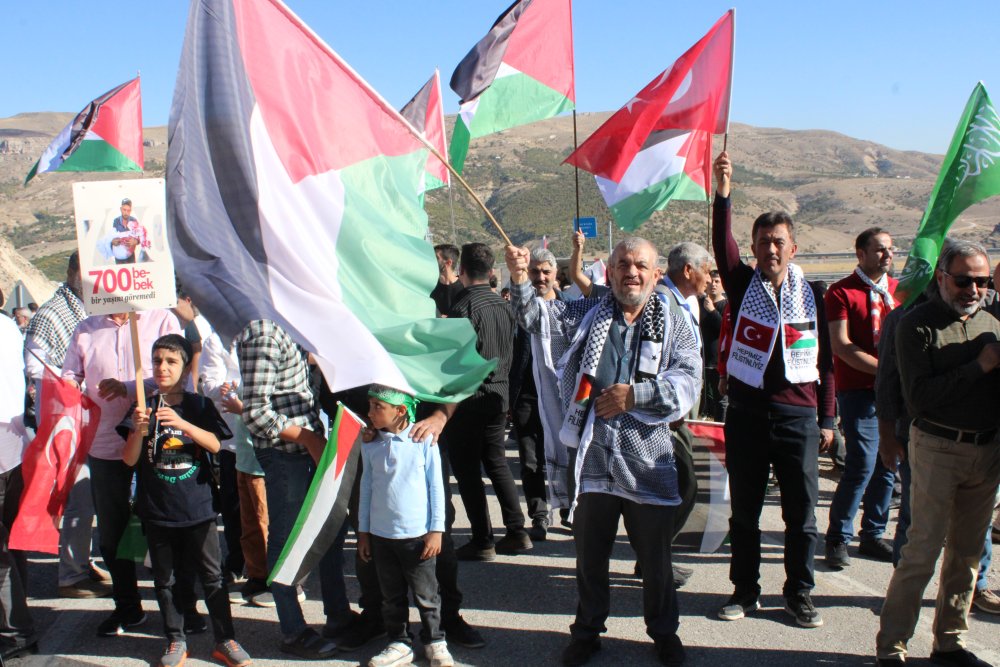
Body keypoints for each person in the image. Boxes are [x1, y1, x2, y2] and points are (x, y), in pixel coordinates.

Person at [507, 236, 701, 667]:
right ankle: (587, 631)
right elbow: (536, 319)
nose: (630, 272)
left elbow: (689, 379)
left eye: (639, 265)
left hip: (649, 462)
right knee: (589, 557)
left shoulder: (675, 320)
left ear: (654, 274)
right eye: (622, 264)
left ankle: (664, 633)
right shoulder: (586, 312)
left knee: (656, 562)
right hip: (594, 460)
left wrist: (638, 395)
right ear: (609, 272)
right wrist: (520, 278)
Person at [711, 151, 835, 629]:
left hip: (798, 420)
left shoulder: (814, 295)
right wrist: (724, 197)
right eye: (763, 242)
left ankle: (799, 594)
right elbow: (724, 249)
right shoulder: (743, 285)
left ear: (793, 248)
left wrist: (827, 418)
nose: (771, 250)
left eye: (779, 242)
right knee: (745, 512)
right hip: (746, 415)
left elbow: (826, 363)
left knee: (801, 515)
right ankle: (744, 591)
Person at [875, 240, 1000, 666]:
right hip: (936, 446)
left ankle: (949, 643)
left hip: (985, 452)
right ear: (942, 277)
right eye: (963, 280)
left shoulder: (992, 323)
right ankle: (891, 647)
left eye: (981, 281)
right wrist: (978, 366)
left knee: (966, 556)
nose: (973, 289)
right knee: (921, 552)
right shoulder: (917, 325)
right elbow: (920, 397)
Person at [119, 334, 250, 667]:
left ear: (184, 366)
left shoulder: (198, 405)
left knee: (212, 577)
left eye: (171, 361)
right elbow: (130, 460)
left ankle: (226, 639)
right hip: (157, 508)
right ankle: (175, 640)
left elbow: (216, 445)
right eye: (157, 361)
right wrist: (137, 430)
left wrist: (182, 424)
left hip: (198, 507)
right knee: (165, 579)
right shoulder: (142, 405)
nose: (163, 368)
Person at [62, 308, 182, 636]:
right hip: (104, 445)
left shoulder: (162, 319)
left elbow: (176, 374)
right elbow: (70, 376)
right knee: (113, 532)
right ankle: (128, 608)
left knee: (164, 525)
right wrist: (68, 390)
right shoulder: (86, 328)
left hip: (158, 441)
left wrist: (127, 387)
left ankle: (177, 612)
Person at [237, 319, 350, 658]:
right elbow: (256, 413)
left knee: (331, 529)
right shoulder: (264, 331)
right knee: (286, 541)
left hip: (307, 452)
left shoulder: (289, 326)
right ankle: (293, 630)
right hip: (286, 457)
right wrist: (309, 437)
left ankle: (339, 615)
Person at [23, 252, 111, 599]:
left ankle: (80, 560)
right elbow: (35, 365)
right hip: (68, 418)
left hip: (93, 414)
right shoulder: (50, 314)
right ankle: (70, 574)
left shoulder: (91, 309)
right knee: (79, 495)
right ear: (75, 272)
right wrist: (73, 382)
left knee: (90, 497)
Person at [445, 242, 530, 560]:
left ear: (461, 271)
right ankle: (516, 531)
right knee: (496, 463)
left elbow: (456, 359)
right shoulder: (504, 306)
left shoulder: (461, 307)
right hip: (500, 395)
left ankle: (482, 539)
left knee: (467, 471)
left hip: (469, 398)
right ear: (492, 272)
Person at [358, 385, 453, 667]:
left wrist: (436, 530)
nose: (370, 413)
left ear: (400, 411)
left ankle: (435, 640)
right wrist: (363, 531)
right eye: (370, 405)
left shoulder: (424, 441)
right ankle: (399, 641)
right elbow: (366, 488)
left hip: (416, 536)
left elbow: (436, 487)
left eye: (378, 407)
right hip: (381, 535)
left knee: (426, 594)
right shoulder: (371, 444)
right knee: (391, 596)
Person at [824, 228, 898, 568]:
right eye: (880, 249)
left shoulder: (897, 292)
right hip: (859, 392)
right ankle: (839, 535)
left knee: (889, 463)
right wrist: (884, 371)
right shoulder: (841, 292)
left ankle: (873, 534)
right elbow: (842, 345)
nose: (887, 255)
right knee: (862, 464)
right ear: (860, 253)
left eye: (890, 250)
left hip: (895, 394)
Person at [508, 247, 572, 542]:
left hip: (560, 398)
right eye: (534, 271)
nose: (540, 277)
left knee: (566, 454)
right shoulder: (519, 308)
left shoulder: (570, 308)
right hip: (526, 396)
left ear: (556, 274)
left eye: (546, 272)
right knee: (531, 460)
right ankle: (539, 515)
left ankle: (568, 508)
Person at [0, 311, 36, 661]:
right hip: (12, 441)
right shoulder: (8, 326)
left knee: (4, 551)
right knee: (12, 544)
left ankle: (16, 634)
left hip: (4, 442)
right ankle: (18, 626)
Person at [98, 198, 149, 265]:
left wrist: (135, 241)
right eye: (124, 210)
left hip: (130, 255)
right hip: (118, 254)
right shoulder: (116, 221)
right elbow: (112, 236)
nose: (126, 213)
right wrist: (113, 241)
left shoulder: (134, 220)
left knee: (132, 272)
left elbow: (140, 237)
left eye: (128, 210)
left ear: (130, 210)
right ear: (121, 209)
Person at [430, 244, 464, 316]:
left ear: (448, 263)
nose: (432, 260)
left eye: (436, 258)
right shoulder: (430, 286)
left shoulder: (464, 290)